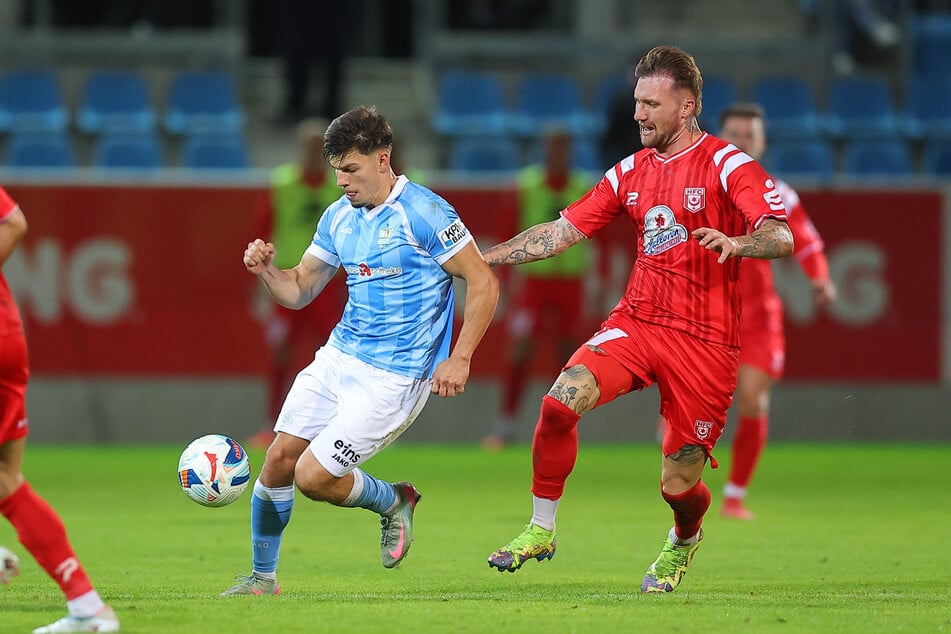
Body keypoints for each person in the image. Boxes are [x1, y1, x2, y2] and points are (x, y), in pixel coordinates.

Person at [481, 46, 794, 593]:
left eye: (651, 103)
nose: (638, 114)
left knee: (679, 480)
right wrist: (482, 260)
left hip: (707, 343)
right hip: (640, 322)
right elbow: (561, 232)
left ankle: (684, 538)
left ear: (688, 105)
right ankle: (540, 527)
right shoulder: (628, 172)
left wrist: (739, 242)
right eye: (636, 102)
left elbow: (781, 234)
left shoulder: (728, 165)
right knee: (559, 402)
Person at [222, 106, 499, 595]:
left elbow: (482, 281)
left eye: (350, 169)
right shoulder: (338, 217)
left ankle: (394, 501)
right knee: (279, 459)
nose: (341, 182)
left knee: (312, 478)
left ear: (383, 159)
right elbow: (301, 288)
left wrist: (460, 357)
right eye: (336, 172)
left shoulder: (426, 213)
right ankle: (262, 581)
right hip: (338, 357)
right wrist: (267, 270)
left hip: (395, 377)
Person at [0, 187, 120, 632]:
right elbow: (10, 219)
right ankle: (87, 608)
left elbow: (14, 223)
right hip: (7, 332)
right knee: (6, 478)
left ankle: (90, 607)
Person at [713, 102, 837, 519]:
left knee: (752, 399)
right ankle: (683, 491)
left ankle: (734, 495)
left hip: (758, 315)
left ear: (763, 143)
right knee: (698, 404)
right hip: (707, 310)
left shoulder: (779, 194)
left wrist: (819, 277)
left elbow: (806, 242)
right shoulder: (700, 186)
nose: (741, 142)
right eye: (734, 133)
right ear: (719, 136)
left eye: (749, 135)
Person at [482, 128, 596, 449]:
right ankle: (505, 425)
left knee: (569, 355)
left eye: (563, 147)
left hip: (570, 283)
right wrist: (502, 280)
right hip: (535, 282)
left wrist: (594, 281)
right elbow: (507, 231)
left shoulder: (581, 186)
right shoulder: (526, 186)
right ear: (545, 149)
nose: (558, 153)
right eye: (553, 147)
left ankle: (560, 427)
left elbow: (596, 236)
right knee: (520, 350)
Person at [248, 118, 346, 450]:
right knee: (280, 350)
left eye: (318, 148)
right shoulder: (282, 184)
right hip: (286, 280)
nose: (311, 154)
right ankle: (271, 424)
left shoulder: (339, 187)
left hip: (327, 284)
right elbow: (262, 231)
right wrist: (260, 283)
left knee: (333, 354)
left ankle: (337, 426)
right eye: (307, 147)